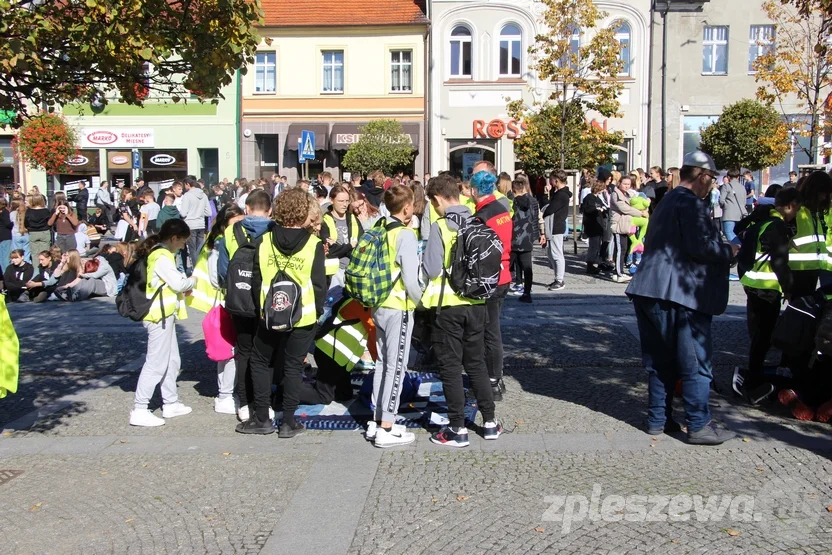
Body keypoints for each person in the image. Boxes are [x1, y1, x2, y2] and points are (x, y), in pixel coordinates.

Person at [626, 151, 738, 445]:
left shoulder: (667, 200)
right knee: (695, 362)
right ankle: (699, 425)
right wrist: (730, 251)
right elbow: (700, 247)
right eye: (711, 179)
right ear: (702, 176)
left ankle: (657, 420)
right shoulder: (691, 203)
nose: (712, 185)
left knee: (661, 361)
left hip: (647, 290)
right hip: (678, 294)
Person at [237, 188, 326, 437]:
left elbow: (257, 280)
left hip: (270, 312)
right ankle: (288, 421)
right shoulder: (313, 244)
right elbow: (319, 285)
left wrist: (261, 309)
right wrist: (317, 311)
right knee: (293, 366)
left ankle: (262, 418)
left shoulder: (264, 240)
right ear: (303, 212)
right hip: (304, 315)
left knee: (260, 361)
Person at [421, 174, 501, 447]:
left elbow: (431, 269)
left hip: (448, 307)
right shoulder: (477, 220)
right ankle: (490, 423)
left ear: (437, 199)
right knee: (476, 364)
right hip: (477, 304)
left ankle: (457, 428)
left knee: (451, 368)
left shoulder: (440, 226)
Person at [366, 185, 423, 448]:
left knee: (383, 362)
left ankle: (377, 417)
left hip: (378, 303)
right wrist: (419, 300)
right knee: (396, 366)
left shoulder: (378, 228)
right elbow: (411, 279)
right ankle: (386, 426)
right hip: (398, 304)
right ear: (408, 207)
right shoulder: (405, 235)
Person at [732, 188, 798, 405]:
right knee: (763, 337)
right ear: (789, 205)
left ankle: (753, 376)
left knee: (758, 336)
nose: (795, 214)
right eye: (796, 209)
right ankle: (753, 380)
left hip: (752, 285)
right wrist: (789, 287)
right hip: (767, 288)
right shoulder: (777, 226)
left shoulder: (762, 221)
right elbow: (779, 262)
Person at [129, 219, 195, 427]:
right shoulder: (162, 256)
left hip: (164, 316)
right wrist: (193, 281)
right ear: (174, 238)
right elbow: (178, 283)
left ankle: (170, 402)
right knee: (156, 363)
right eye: (183, 241)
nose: (184, 246)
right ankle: (140, 408)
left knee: (171, 360)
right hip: (159, 317)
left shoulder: (160, 253)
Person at [217, 190, 274, 423]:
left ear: (247, 209)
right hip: (267, 302)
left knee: (243, 352)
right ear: (270, 210)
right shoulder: (274, 232)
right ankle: (265, 403)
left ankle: (244, 403)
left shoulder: (231, 231)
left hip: (239, 301)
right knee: (266, 355)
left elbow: (222, 271)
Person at [187, 203, 245, 415]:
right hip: (225, 303)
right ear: (225, 223)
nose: (240, 226)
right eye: (236, 222)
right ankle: (225, 395)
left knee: (233, 352)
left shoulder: (224, 240)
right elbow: (216, 278)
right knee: (228, 352)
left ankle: (229, 393)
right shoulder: (219, 243)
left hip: (230, 301)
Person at [469, 170, 512, 401]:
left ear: (474, 191)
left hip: (490, 278)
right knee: (493, 329)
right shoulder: (502, 209)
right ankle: (496, 377)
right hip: (504, 275)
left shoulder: (483, 215)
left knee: (489, 331)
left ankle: (493, 380)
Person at [320, 185, 361, 288]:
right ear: (332, 200)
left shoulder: (353, 219)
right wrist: (350, 246)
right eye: (341, 201)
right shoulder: (325, 221)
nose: (345, 204)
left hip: (354, 269)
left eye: (347, 201)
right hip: (335, 272)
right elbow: (331, 251)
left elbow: (362, 246)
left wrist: (338, 247)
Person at [509, 179, 542, 303]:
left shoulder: (511, 202)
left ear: (513, 190)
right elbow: (536, 219)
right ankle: (527, 293)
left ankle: (501, 290)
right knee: (527, 268)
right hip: (527, 238)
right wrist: (537, 234)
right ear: (524, 189)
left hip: (513, 239)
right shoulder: (533, 201)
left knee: (506, 266)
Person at [610, 175, 645, 283]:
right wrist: (640, 213)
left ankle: (618, 272)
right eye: (624, 184)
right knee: (620, 249)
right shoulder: (616, 194)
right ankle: (619, 273)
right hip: (619, 225)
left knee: (623, 248)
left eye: (628, 184)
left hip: (627, 224)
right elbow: (623, 208)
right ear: (619, 183)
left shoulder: (628, 194)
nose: (626, 186)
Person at [543, 170, 572, 290]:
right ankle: (557, 278)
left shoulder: (561, 195)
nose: (549, 182)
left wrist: (545, 195)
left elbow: (549, 209)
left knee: (556, 254)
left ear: (556, 180)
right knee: (551, 253)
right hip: (554, 226)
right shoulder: (558, 193)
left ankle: (559, 280)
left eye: (551, 179)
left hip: (556, 227)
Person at [180, 177, 211, 272]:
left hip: (190, 224)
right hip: (201, 224)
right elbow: (208, 212)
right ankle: (202, 269)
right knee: (200, 249)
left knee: (192, 250)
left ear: (187, 184)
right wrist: (199, 213)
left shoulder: (187, 196)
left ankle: (196, 270)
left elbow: (183, 213)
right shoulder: (204, 195)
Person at [581, 178, 608, 275]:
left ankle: (594, 264)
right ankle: (590, 265)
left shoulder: (597, 198)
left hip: (598, 225)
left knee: (596, 246)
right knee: (593, 246)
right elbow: (589, 209)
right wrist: (599, 209)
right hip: (592, 226)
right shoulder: (589, 198)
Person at [719, 169, 747, 244]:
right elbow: (744, 201)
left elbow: (721, 200)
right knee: (738, 234)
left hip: (729, 214)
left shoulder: (726, 186)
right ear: (738, 177)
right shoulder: (742, 187)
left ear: (728, 177)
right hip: (741, 214)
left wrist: (725, 206)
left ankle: (739, 248)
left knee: (729, 233)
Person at [9, 197, 29, 263]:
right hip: (26, 234)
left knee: (16, 254)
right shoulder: (27, 213)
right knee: (26, 255)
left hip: (16, 235)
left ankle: (16, 270)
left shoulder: (12, 214)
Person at [0, 198, 13, 272]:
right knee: (6, 256)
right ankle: (7, 273)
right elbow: (7, 223)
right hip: (5, 235)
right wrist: (13, 224)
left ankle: (3, 272)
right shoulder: (5, 212)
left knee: (1, 257)